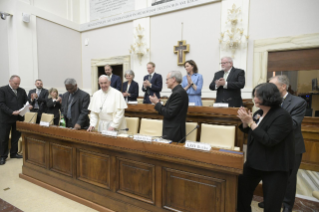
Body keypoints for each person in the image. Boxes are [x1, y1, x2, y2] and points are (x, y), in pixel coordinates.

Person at [236, 83, 295, 212]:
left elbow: (269, 140)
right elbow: (254, 134)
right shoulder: (259, 113)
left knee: (271, 204)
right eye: (254, 95)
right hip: (255, 162)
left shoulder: (282, 116)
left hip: (274, 166)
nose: (254, 98)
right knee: (241, 189)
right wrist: (245, 123)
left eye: (257, 96)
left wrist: (251, 122)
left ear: (268, 97)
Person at [257, 75, 307, 212]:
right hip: (272, 145)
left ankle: (287, 205)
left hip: (291, 147)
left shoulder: (298, 102)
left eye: (272, 85)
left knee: (289, 179)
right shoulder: (269, 101)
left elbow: (293, 124)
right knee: (270, 175)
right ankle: (270, 200)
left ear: (283, 86)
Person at [0, 75, 32, 165]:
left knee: (16, 137)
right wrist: (11, 112)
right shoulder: (2, 90)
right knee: (3, 138)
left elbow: (26, 101)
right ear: (10, 81)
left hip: (18, 118)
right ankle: (3, 156)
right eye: (15, 83)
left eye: (18, 83)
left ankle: (14, 153)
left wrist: (29, 105)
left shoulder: (22, 90)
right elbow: (1, 104)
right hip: (6, 118)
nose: (17, 85)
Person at [149, 71, 188, 143]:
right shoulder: (178, 92)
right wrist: (159, 103)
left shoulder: (178, 93)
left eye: (167, 79)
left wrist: (157, 103)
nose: (166, 82)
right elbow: (170, 110)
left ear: (173, 79)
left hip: (174, 132)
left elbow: (168, 113)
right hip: (173, 131)